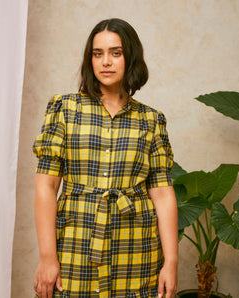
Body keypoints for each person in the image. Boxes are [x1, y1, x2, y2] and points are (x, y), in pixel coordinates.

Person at [32, 18, 178, 298]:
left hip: (136, 248)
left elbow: (162, 194)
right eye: (97, 54)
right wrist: (48, 257)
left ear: (130, 57)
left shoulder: (151, 120)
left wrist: (171, 262)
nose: (106, 62)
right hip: (76, 244)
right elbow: (46, 187)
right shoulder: (64, 109)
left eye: (116, 53)